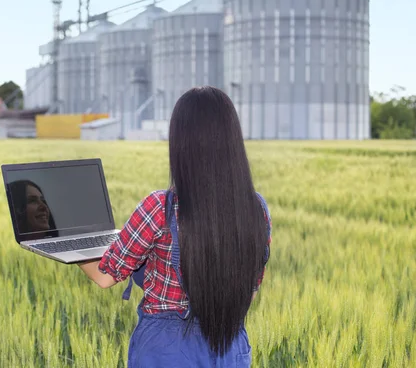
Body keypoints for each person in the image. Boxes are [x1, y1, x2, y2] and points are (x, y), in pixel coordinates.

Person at [77, 86, 272, 367]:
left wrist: (71, 249)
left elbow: (105, 276)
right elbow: (250, 290)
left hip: (166, 351)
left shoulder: (160, 208)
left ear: (181, 143)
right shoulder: (257, 210)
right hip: (229, 347)